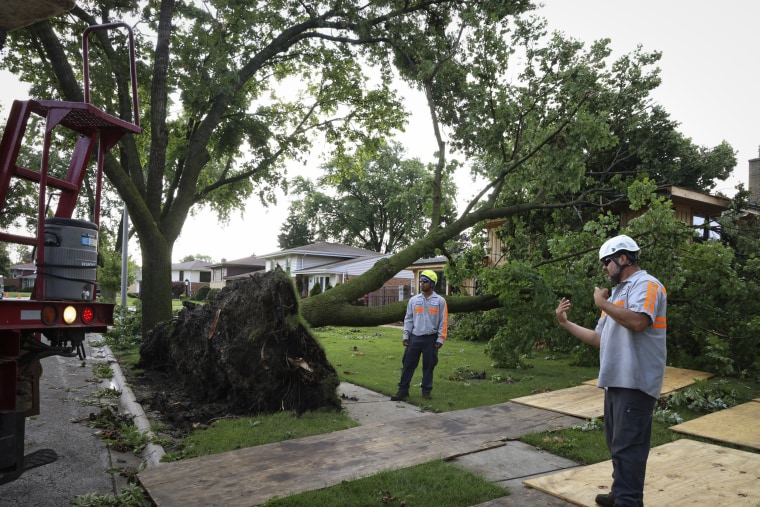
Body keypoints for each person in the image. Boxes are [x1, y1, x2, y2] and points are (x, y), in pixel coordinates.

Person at [555, 235, 666, 507]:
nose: (604, 268)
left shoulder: (647, 285)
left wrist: (602, 303)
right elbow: (599, 339)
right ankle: (620, 494)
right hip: (616, 380)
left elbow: (639, 321)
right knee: (617, 444)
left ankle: (627, 501)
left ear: (623, 258)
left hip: (636, 381)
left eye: (606, 262)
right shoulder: (616, 294)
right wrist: (565, 323)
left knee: (629, 448)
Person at [391, 270, 448, 401]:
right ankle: (402, 390)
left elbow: (443, 321)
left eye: (425, 282)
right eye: (421, 281)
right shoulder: (413, 300)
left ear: (432, 283)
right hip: (415, 338)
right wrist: (406, 335)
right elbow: (408, 319)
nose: (422, 284)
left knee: (429, 366)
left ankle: (426, 391)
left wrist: (441, 338)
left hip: (431, 338)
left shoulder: (440, 301)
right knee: (408, 364)